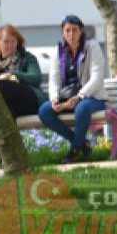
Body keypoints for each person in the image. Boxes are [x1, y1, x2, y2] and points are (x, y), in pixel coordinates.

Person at [38, 15, 107, 163]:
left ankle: (74, 151)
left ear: (81, 31)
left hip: (92, 98)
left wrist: (80, 96)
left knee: (81, 109)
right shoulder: (59, 51)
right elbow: (54, 79)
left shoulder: (92, 47)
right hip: (67, 99)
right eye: (67, 30)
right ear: (63, 32)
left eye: (74, 30)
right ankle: (81, 143)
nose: (71, 34)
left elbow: (97, 78)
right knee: (44, 111)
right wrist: (55, 99)